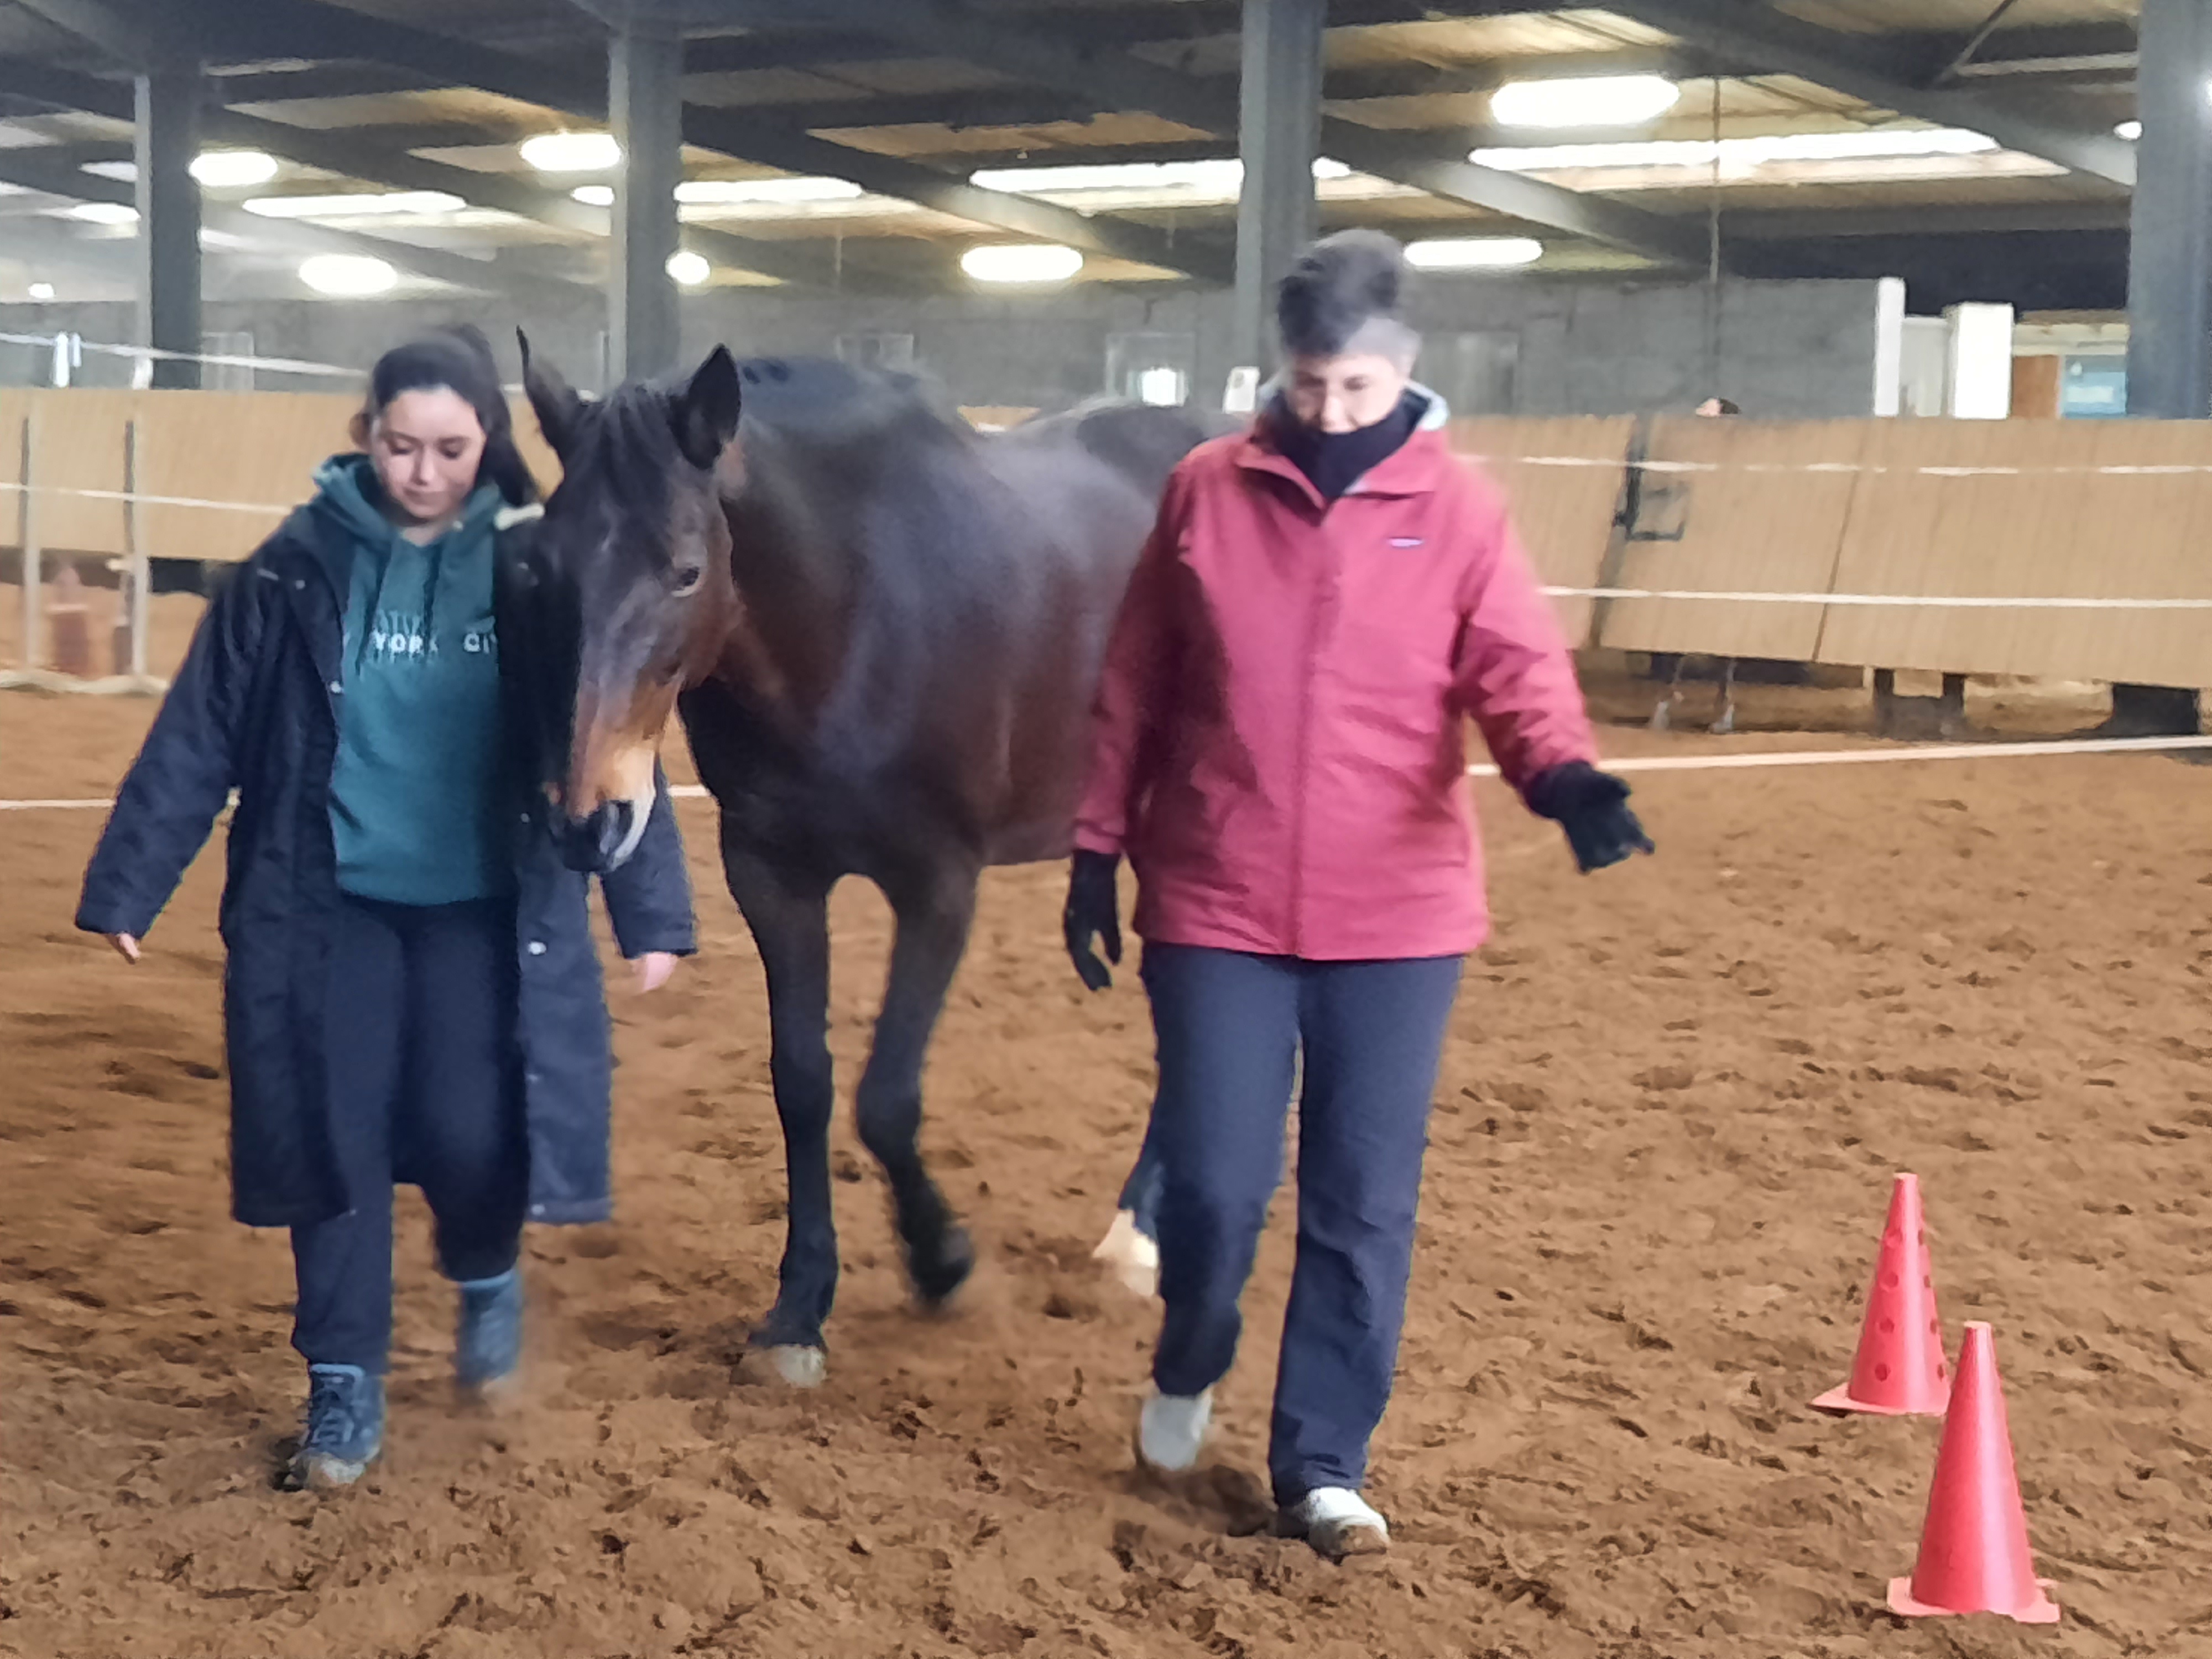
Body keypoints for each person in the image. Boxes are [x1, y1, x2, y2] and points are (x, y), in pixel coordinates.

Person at [1062, 229, 1652, 1558]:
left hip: (1396, 915)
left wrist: (1561, 776)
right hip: (1215, 896)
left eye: (1356, 389)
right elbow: (1135, 678)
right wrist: (1095, 845)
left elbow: (1513, 668)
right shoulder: (1205, 489)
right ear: (1282, 367)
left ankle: (1321, 1462)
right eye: (1308, 384)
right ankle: (1190, 1354)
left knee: (1361, 1197)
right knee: (1214, 1187)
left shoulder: (1461, 510)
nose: (1329, 412)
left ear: (1405, 368)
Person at [75, 324, 696, 1491]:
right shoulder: (290, 568)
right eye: (401, 445)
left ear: (487, 443)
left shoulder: (538, 567)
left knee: (474, 1131)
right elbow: (202, 728)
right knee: (333, 1138)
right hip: (327, 907)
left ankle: (485, 1273)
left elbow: (607, 725)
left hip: (484, 910)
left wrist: (649, 905)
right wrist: (131, 880)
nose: (424, 471)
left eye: (450, 449)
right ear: (366, 437)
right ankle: (342, 1380)